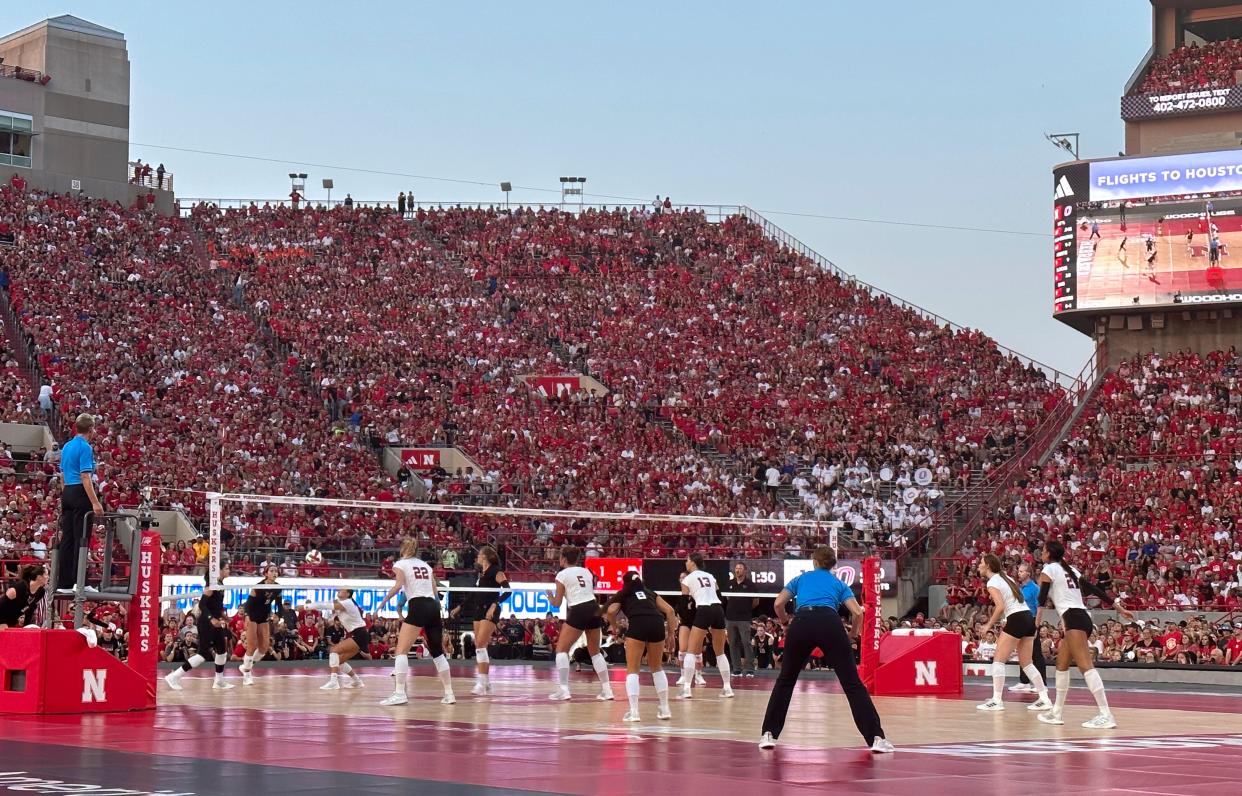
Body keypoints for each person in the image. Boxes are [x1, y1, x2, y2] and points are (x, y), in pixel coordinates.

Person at [758, 546, 892, 752]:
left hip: (802, 621)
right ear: (832, 565)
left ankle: (768, 734)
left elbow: (778, 604)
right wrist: (852, 635)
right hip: (830, 623)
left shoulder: (801, 579)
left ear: (814, 561)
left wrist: (785, 623)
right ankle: (876, 738)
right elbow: (857, 613)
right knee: (852, 684)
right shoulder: (838, 583)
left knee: (785, 680)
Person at [1037, 539, 1134, 729]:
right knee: (1061, 664)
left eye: (1043, 550)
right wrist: (1118, 607)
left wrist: (1037, 618)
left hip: (1073, 619)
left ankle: (1106, 714)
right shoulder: (1070, 569)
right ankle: (1056, 712)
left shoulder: (1049, 569)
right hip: (1081, 618)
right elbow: (1094, 589)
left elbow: (1042, 597)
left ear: (1049, 553)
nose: (1041, 553)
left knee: (1085, 666)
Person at [378, 539, 455, 706]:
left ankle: (399, 693)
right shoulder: (426, 566)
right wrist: (438, 611)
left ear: (403, 549)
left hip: (418, 605)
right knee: (437, 652)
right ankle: (449, 694)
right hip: (433, 606)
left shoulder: (400, 564)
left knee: (401, 651)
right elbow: (435, 590)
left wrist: (382, 603)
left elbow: (398, 585)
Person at [974, 555, 1051, 712]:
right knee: (1027, 663)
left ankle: (996, 700)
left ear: (988, 565)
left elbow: (1000, 606)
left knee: (998, 661)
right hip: (1028, 617)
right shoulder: (1006, 577)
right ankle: (1044, 698)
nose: (979, 565)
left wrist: (988, 624)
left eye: (981, 563)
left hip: (1016, 618)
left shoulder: (992, 582)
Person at [604, 571, 677, 722]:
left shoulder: (623, 593)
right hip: (657, 622)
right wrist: (671, 635)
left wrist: (614, 626)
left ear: (625, 583)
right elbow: (670, 611)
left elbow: (610, 611)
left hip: (637, 623)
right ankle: (665, 709)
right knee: (657, 667)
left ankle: (634, 712)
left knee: (633, 669)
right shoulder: (649, 592)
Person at [546, 545, 613, 701]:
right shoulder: (586, 571)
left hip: (579, 609)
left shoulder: (561, 575)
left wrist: (549, 596)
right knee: (595, 652)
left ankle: (564, 689)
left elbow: (556, 603)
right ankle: (607, 690)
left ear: (563, 558)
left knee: (561, 649)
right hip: (594, 607)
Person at [165, 561, 234, 691]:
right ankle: (174, 676)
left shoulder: (220, 585)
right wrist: (211, 618)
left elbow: (216, 606)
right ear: (218, 571)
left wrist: (224, 617)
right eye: (226, 568)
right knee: (202, 655)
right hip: (206, 623)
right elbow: (202, 605)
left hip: (216, 622)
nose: (229, 570)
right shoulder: (210, 586)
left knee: (222, 651)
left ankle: (218, 681)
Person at [449, 546, 508, 696]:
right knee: (479, 646)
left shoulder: (496, 571)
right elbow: (473, 595)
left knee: (481, 645)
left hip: (490, 610)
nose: (477, 557)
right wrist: (459, 607)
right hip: (478, 610)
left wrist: (495, 605)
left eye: (480, 555)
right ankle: (486, 682)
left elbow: (508, 590)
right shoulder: (481, 575)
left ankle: (481, 683)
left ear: (486, 557)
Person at [57, 414, 103, 590]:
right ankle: (80, 581)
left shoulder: (67, 446)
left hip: (67, 490)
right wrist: (95, 502)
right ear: (91, 429)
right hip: (79, 491)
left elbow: (62, 475)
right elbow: (85, 476)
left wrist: (67, 494)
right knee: (81, 538)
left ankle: (65, 582)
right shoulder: (85, 447)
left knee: (67, 538)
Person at [679, 553, 733, 699]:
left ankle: (686, 689)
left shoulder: (687, 578)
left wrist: (689, 619)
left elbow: (684, 603)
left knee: (691, 651)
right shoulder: (710, 576)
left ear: (693, 562)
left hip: (703, 609)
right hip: (718, 609)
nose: (686, 562)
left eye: (687, 560)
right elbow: (720, 597)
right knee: (720, 652)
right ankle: (727, 688)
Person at [308, 587, 368, 690]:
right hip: (359, 634)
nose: (339, 590)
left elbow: (328, 605)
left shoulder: (348, 602)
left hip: (359, 634)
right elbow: (330, 605)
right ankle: (357, 681)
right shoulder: (342, 603)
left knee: (334, 650)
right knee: (338, 661)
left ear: (348, 594)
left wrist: (307, 606)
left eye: (342, 590)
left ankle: (333, 682)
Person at [239, 565, 282, 685]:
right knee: (252, 646)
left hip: (264, 617)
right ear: (266, 573)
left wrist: (279, 615)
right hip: (252, 616)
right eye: (272, 571)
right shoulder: (258, 586)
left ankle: (245, 666)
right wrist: (247, 616)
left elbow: (280, 605)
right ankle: (247, 674)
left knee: (263, 648)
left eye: (276, 571)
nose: (274, 573)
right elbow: (248, 604)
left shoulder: (278, 588)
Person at [1012, 562, 1048, 693]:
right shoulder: (1021, 588)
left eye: (1021, 571)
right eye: (1019, 571)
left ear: (1028, 573)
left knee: (1036, 653)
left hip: (1032, 620)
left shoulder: (1034, 588)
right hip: (1022, 620)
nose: (1019, 573)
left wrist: (1036, 626)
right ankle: (1024, 682)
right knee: (1022, 651)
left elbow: (1039, 608)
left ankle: (1042, 684)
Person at [725, 562, 759, 677]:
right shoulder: (729, 583)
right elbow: (727, 598)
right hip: (730, 618)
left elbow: (756, 601)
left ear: (745, 571)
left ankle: (750, 669)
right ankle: (737, 669)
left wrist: (746, 609)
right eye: (736, 568)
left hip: (744, 618)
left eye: (740, 568)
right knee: (733, 644)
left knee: (746, 642)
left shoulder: (750, 584)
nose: (737, 570)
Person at [675, 571, 706, 688]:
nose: (682, 579)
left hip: (696, 623)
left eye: (685, 577)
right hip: (685, 623)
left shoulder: (696, 592)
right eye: (681, 577)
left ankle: (698, 675)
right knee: (682, 649)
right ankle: (683, 674)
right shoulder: (680, 595)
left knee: (697, 651)